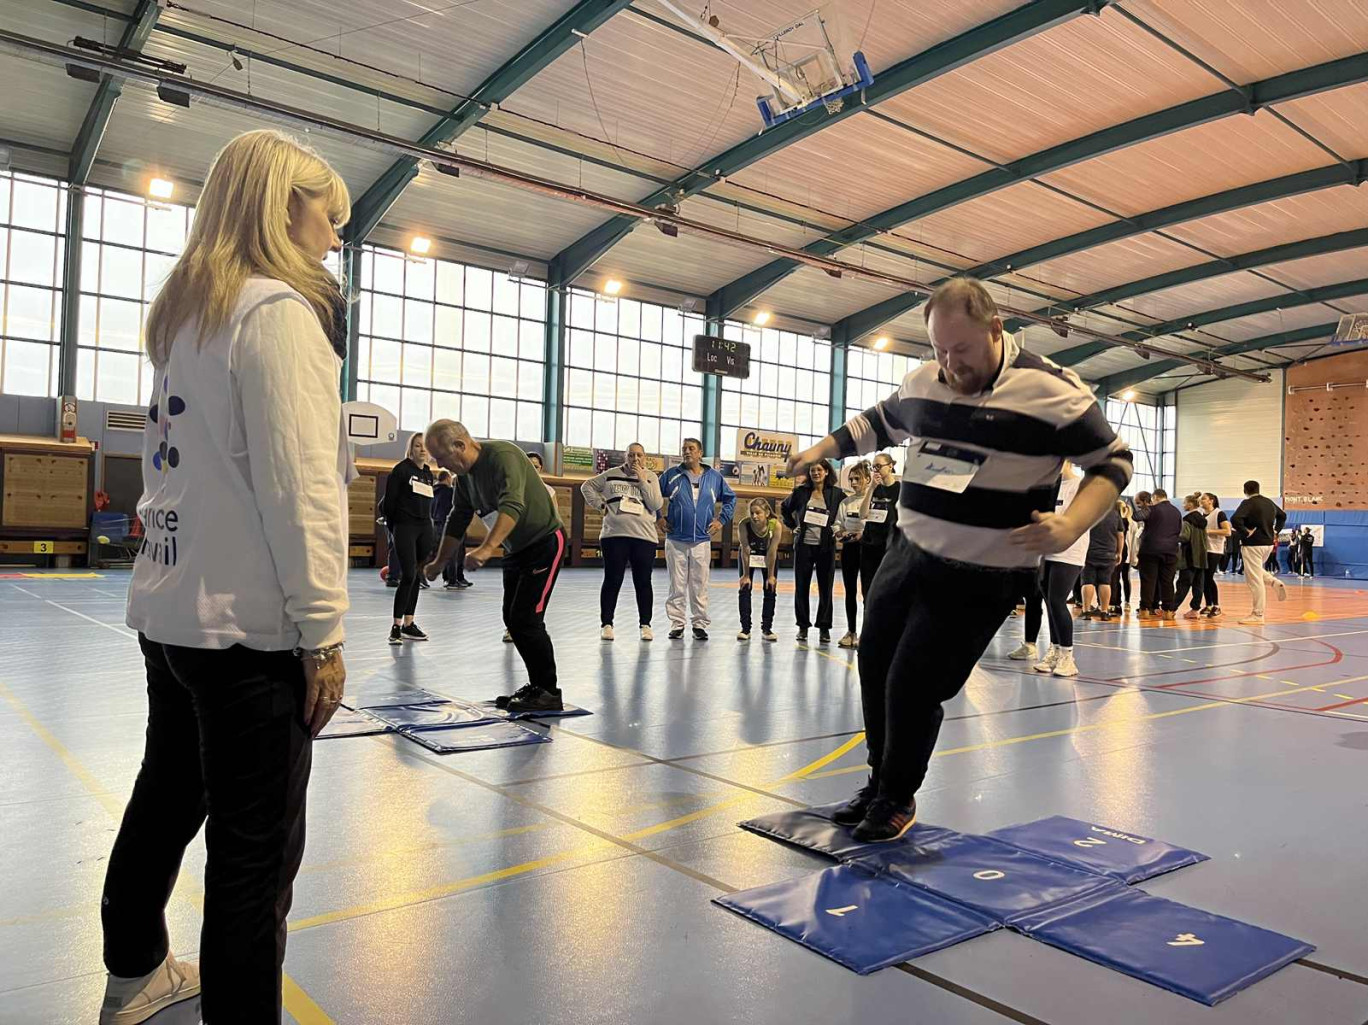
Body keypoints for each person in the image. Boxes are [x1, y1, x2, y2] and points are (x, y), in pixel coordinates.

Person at [103, 130, 351, 1024]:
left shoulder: (186, 314)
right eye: (328, 217)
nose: (332, 239)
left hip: (170, 615)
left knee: (166, 793)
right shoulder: (275, 311)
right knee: (255, 856)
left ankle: (132, 972)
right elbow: (303, 488)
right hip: (247, 632)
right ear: (286, 205)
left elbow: (158, 472)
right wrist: (321, 630)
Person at [786, 277, 1131, 841]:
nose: (949, 364)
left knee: (914, 683)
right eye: (939, 350)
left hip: (981, 572)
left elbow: (1114, 463)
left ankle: (897, 798)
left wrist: (1071, 523)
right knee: (874, 665)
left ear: (997, 329)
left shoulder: (1053, 392)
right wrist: (823, 449)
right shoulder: (927, 378)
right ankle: (879, 781)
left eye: (962, 350)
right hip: (908, 550)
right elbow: (880, 421)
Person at [423, 421, 566, 711]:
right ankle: (537, 686)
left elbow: (513, 504)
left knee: (527, 618)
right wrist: (439, 562)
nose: (441, 465)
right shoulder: (465, 479)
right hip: (516, 549)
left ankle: (548, 691)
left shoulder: (504, 456)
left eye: (441, 457)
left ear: (460, 446)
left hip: (544, 543)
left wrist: (488, 548)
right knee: (512, 618)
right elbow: (457, 519)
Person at [1011, 464, 1091, 675]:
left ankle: (1068, 657)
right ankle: (1055, 650)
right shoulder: (1051, 488)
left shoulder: (1081, 486)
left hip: (1069, 551)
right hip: (1047, 552)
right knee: (1049, 601)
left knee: (1057, 600)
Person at [581, 443, 663, 641]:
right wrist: (600, 504)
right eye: (631, 455)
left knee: (643, 582)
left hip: (644, 538)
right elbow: (587, 486)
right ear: (625, 457)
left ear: (645, 458)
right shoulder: (611, 474)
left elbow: (655, 504)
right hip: (614, 536)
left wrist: (642, 481)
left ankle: (645, 624)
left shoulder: (651, 477)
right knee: (612, 580)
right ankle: (606, 624)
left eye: (639, 455)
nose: (635, 459)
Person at [659, 438, 736, 640]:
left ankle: (699, 624)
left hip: (702, 539)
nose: (687, 452)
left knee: (699, 584)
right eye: (684, 448)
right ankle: (677, 624)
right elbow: (653, 496)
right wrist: (658, 517)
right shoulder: (670, 475)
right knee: (677, 584)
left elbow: (731, 498)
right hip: (675, 539)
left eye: (691, 449)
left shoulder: (714, 477)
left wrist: (721, 520)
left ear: (700, 453)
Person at [781, 458, 846, 644]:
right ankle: (802, 626)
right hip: (804, 546)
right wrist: (793, 526)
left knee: (826, 588)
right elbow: (785, 508)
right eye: (812, 471)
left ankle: (824, 628)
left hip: (826, 547)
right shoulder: (801, 492)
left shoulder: (837, 494)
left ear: (826, 472)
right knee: (801, 586)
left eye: (819, 470)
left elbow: (846, 513)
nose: (815, 473)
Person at [382, 434, 435, 644]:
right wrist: (395, 529)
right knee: (408, 575)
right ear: (411, 449)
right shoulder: (401, 470)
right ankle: (395, 626)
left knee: (416, 576)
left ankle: (409, 624)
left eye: (425, 447)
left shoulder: (428, 473)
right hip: (405, 527)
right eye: (418, 446)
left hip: (424, 527)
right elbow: (388, 505)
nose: (422, 450)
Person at [1231, 480, 1288, 625]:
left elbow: (1235, 519)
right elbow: (1282, 516)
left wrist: (1245, 532)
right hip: (1268, 544)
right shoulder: (1269, 502)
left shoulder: (1248, 503)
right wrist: (1276, 531)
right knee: (1255, 571)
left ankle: (1258, 614)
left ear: (1245, 491)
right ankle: (1274, 582)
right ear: (1258, 489)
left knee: (1254, 580)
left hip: (1253, 544)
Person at [836, 461, 872, 648]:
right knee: (850, 591)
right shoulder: (845, 502)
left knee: (868, 593)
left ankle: (868, 633)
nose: (854, 482)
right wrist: (840, 533)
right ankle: (851, 631)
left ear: (867, 479)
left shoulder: (875, 500)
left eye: (857, 478)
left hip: (868, 550)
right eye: (851, 479)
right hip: (849, 549)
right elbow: (837, 524)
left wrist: (863, 534)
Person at [736, 498, 781, 641]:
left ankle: (767, 629)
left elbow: (772, 551)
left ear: (767, 513)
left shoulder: (775, 526)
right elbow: (745, 549)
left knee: (770, 588)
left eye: (758, 513)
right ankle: (745, 629)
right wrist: (746, 574)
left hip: (767, 555)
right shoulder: (744, 524)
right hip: (748, 555)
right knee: (745, 587)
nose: (754, 516)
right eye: (752, 513)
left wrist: (771, 576)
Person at [1134, 488, 1181, 620]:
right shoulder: (1176, 512)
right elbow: (1178, 530)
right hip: (1171, 551)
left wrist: (1145, 506)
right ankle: (1168, 611)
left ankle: (1144, 610)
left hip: (1150, 550)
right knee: (1167, 582)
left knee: (1148, 581)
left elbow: (1135, 517)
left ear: (1154, 498)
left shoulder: (1152, 509)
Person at [859, 453, 900, 600]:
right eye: (873, 467)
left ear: (890, 466)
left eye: (879, 466)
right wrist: (870, 489)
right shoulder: (873, 489)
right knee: (868, 589)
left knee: (888, 589)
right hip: (870, 545)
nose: (875, 470)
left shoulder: (900, 489)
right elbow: (862, 514)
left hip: (889, 546)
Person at [1080, 489, 1123, 621]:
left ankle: (1086, 611)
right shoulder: (1115, 514)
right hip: (1108, 553)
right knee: (1105, 582)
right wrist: (1119, 552)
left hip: (1089, 552)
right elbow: (1120, 535)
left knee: (1088, 581)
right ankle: (1104, 611)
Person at [430, 469, 471, 590]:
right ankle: (454, 579)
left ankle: (447, 578)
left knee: (445, 552)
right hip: (452, 524)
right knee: (455, 553)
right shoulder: (450, 492)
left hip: (437, 525)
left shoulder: (432, 492)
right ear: (448, 478)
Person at [1173, 494, 1208, 619]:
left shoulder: (1187, 520)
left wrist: (1172, 536)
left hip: (1189, 556)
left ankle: (1171, 608)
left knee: (1183, 583)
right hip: (1201, 556)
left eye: (1184, 503)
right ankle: (1195, 610)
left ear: (1190, 504)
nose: (1183, 505)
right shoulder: (1202, 520)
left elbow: (1185, 537)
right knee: (1198, 584)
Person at [1199, 492, 1228, 617]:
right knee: (1203, 578)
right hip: (1203, 549)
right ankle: (1209, 604)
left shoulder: (1219, 513)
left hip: (1215, 549)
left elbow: (1227, 531)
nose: (1201, 501)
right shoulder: (1200, 514)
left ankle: (1217, 606)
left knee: (1208, 577)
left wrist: (1208, 531)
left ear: (1211, 501)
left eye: (1204, 499)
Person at [1109, 499, 1138, 616]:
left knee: (1118, 578)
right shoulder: (1129, 522)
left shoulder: (1128, 523)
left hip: (1122, 551)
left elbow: (1130, 540)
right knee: (1123, 578)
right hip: (1126, 552)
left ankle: (1121, 602)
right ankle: (1123, 601)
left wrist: (1131, 556)